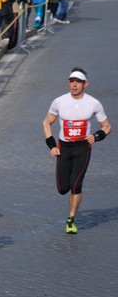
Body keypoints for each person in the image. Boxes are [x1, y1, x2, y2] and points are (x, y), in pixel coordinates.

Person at [42, 68, 111, 234]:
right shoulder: (59, 102)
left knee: (75, 184)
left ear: (85, 84)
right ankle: (70, 205)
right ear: (68, 82)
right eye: (72, 81)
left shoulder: (94, 103)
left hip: (82, 147)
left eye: (78, 82)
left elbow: (107, 126)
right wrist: (52, 146)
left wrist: (97, 136)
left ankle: (71, 219)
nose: (74, 84)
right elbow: (46, 123)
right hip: (63, 147)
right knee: (62, 188)